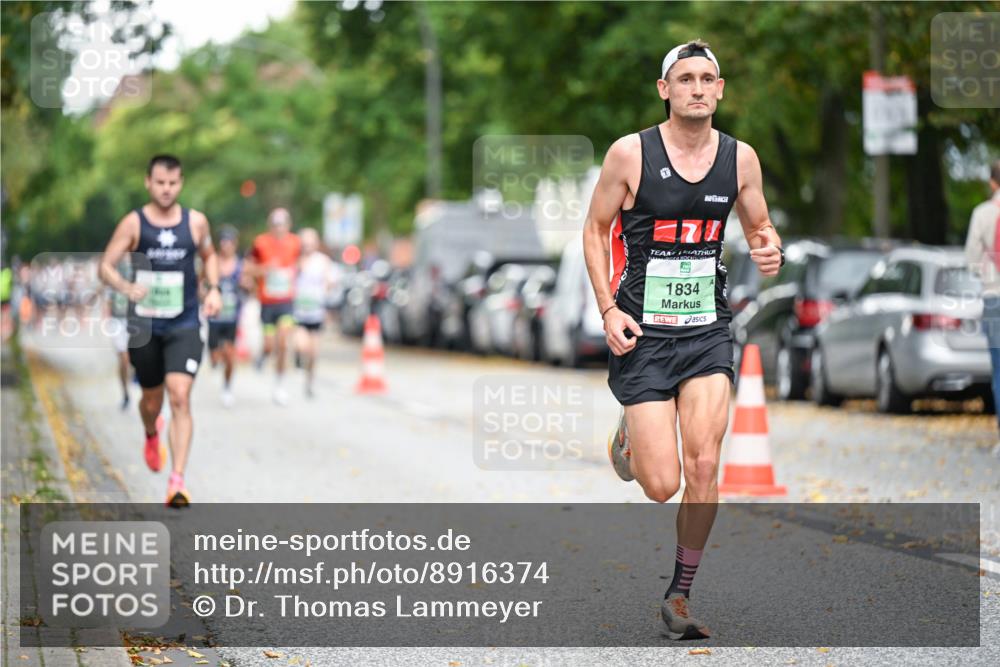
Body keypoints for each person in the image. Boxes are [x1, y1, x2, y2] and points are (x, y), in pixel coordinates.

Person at [581, 40, 783, 639]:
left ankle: (681, 594)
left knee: (702, 462)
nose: (697, 87)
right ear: (665, 90)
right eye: (685, 78)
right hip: (643, 333)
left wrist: (770, 247)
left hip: (706, 332)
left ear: (720, 90)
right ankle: (631, 438)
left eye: (707, 78)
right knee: (661, 485)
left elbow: (760, 224)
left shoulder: (740, 160)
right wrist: (608, 307)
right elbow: (594, 230)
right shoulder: (630, 154)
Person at [99, 154, 221, 508]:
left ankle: (177, 481)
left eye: (173, 183)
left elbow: (210, 255)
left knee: (180, 395)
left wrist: (213, 288)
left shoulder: (196, 223)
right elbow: (105, 266)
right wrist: (124, 287)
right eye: (160, 183)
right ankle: (152, 432)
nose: (166, 189)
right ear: (148, 183)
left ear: (180, 183)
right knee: (152, 400)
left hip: (184, 320)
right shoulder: (134, 223)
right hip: (145, 324)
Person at [245, 208, 301, 406]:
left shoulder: (295, 242)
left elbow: (300, 263)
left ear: (289, 225)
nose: (279, 228)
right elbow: (248, 268)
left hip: (286, 301)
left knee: (284, 343)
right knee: (269, 345)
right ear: (270, 226)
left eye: (283, 224)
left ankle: (280, 385)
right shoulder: (260, 243)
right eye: (275, 224)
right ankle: (263, 356)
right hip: (267, 302)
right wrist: (264, 269)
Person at [964, 159, 1000, 452]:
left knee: (999, 371)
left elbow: (972, 259)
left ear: (992, 182)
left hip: (995, 298)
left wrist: (989, 274)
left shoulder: (983, 214)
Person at [292, 228, 334, 398]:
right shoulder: (295, 260)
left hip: (316, 312)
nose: (308, 246)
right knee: (302, 346)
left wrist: (326, 289)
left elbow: (330, 282)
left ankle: (309, 382)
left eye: (311, 243)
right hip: (299, 313)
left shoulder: (323, 261)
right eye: (305, 243)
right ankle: (298, 357)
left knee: (314, 354)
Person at [206, 226, 244, 408]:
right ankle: (215, 357)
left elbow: (250, 285)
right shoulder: (212, 263)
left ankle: (227, 387)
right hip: (214, 317)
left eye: (230, 242)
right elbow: (200, 283)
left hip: (232, 317)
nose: (226, 245)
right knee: (215, 358)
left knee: (230, 356)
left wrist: (248, 284)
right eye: (223, 241)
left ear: (235, 244)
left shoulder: (241, 265)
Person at [106, 257, 134, 410]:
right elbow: (108, 300)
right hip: (117, 321)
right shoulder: (113, 272)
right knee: (123, 359)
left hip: (133, 321)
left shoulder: (138, 270)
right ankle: (125, 393)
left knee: (131, 358)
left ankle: (133, 380)